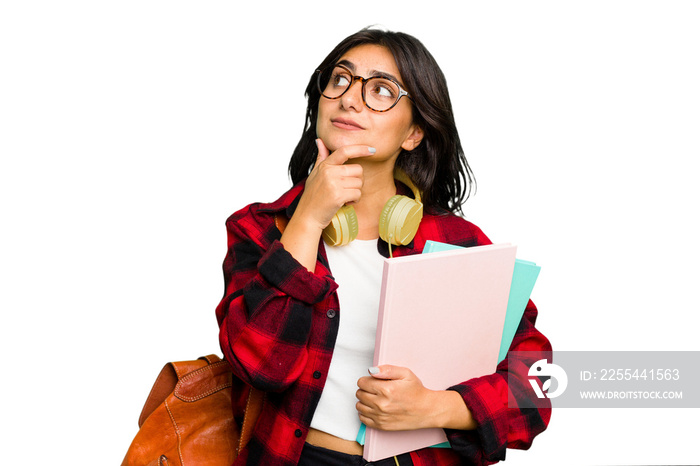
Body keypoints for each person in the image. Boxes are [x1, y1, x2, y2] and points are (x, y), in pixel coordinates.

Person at [215, 27, 551, 466]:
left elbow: (537, 384)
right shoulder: (261, 229)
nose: (349, 99)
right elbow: (260, 365)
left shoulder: (460, 246)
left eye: (381, 90)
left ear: (413, 133)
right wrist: (310, 218)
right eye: (339, 80)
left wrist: (439, 406)